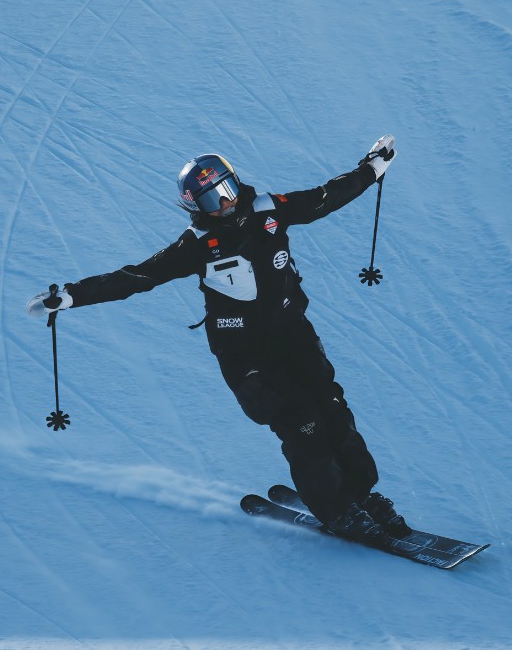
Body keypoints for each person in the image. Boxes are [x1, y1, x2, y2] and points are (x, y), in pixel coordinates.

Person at [27, 135, 410, 544]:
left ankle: (360, 494)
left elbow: (325, 198)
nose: (226, 202)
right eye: (213, 199)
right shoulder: (196, 245)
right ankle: (336, 511)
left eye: (227, 189)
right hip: (247, 356)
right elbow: (137, 276)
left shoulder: (270, 210)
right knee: (303, 423)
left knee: (333, 411)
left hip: (295, 336)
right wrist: (70, 296)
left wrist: (371, 169)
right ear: (196, 206)